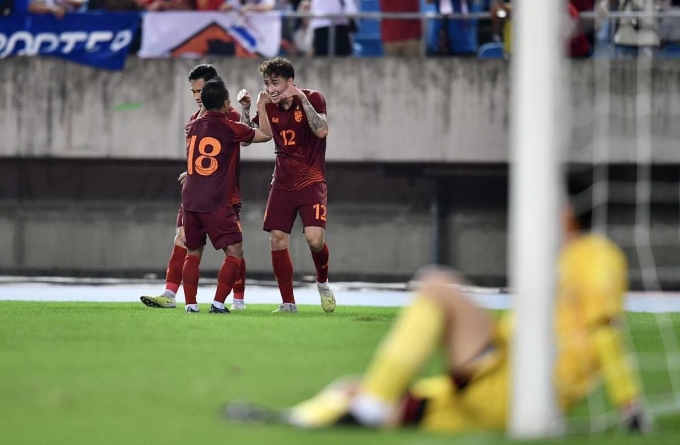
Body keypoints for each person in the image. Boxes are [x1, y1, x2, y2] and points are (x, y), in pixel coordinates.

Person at [224, 179, 647, 432]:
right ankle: (286, 419)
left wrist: (630, 405)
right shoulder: (564, 261)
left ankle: (369, 405)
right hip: (496, 384)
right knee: (352, 389)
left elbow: (605, 329)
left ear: (567, 213)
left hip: (519, 387)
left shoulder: (594, 255)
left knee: (438, 285)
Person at [140, 64, 250, 311]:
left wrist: (246, 110)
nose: (198, 95)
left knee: (232, 248)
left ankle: (238, 298)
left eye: (201, 90)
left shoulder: (227, 115)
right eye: (193, 91)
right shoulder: (193, 120)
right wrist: (190, 172)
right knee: (183, 239)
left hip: (224, 193)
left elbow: (244, 142)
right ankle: (170, 293)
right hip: (195, 191)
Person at [236, 57, 336, 314]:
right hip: (282, 181)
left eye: (275, 82)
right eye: (267, 83)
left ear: (290, 81)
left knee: (315, 241)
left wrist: (301, 98)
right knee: (277, 240)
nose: (271, 88)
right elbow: (252, 139)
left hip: (311, 178)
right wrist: (249, 109)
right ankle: (288, 303)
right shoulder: (268, 104)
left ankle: (323, 283)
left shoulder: (313, 98)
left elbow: (322, 131)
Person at [181, 78, 272, 314]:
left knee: (193, 252)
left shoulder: (192, 126)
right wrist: (260, 105)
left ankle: (190, 305)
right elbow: (265, 134)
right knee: (235, 252)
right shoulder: (230, 127)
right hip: (216, 200)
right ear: (225, 104)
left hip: (190, 199)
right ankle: (218, 303)